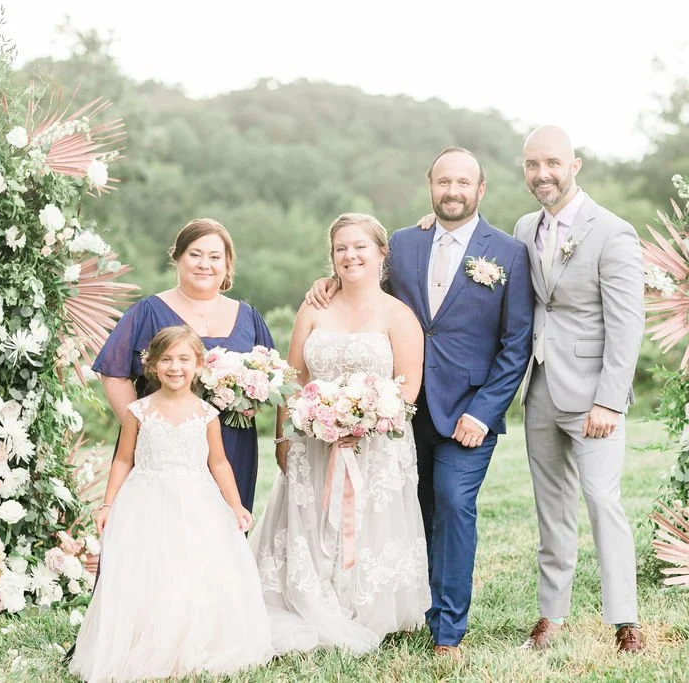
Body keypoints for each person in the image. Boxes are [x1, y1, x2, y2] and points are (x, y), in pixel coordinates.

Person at [306, 149, 533, 660]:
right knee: (416, 508)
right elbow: (362, 290)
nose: (453, 191)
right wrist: (327, 284)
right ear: (430, 185)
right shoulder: (404, 245)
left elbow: (517, 343)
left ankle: (448, 630)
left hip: (468, 412)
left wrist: (485, 411)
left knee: (453, 504)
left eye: (463, 182)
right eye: (444, 181)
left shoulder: (510, 254)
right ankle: (412, 605)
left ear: (481, 190)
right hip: (400, 410)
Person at [251, 213, 431, 655]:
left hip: (374, 447)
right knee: (310, 523)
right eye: (340, 248)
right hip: (311, 443)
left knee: (369, 522)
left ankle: (363, 608)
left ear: (381, 253)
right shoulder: (313, 307)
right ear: (331, 257)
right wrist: (283, 438)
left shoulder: (398, 314)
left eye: (360, 247)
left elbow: (409, 386)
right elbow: (293, 377)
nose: (350, 255)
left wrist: (363, 419)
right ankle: (309, 599)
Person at [69, 326, 273, 680]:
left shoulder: (207, 414)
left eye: (184, 359)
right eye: (166, 359)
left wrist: (236, 505)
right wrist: (107, 505)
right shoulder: (139, 411)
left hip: (196, 501)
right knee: (147, 572)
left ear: (198, 364)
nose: (175, 367)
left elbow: (219, 463)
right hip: (144, 500)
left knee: (193, 571)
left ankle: (192, 641)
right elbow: (122, 460)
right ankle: (140, 642)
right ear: (152, 365)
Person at [512, 125, 646, 653]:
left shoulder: (612, 232)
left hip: (595, 395)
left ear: (575, 165)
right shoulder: (525, 227)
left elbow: (626, 323)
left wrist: (610, 399)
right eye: (531, 165)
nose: (542, 174)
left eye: (552, 163)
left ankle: (626, 621)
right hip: (540, 387)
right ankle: (551, 616)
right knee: (552, 508)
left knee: (601, 500)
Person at [92, 218, 274, 512]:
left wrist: (254, 401)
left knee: (224, 534)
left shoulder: (248, 316)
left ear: (227, 265)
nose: (205, 264)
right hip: (164, 449)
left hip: (233, 444)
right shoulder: (148, 311)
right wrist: (142, 427)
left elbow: (271, 375)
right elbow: (113, 371)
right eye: (195, 254)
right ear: (177, 257)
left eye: (215, 257)